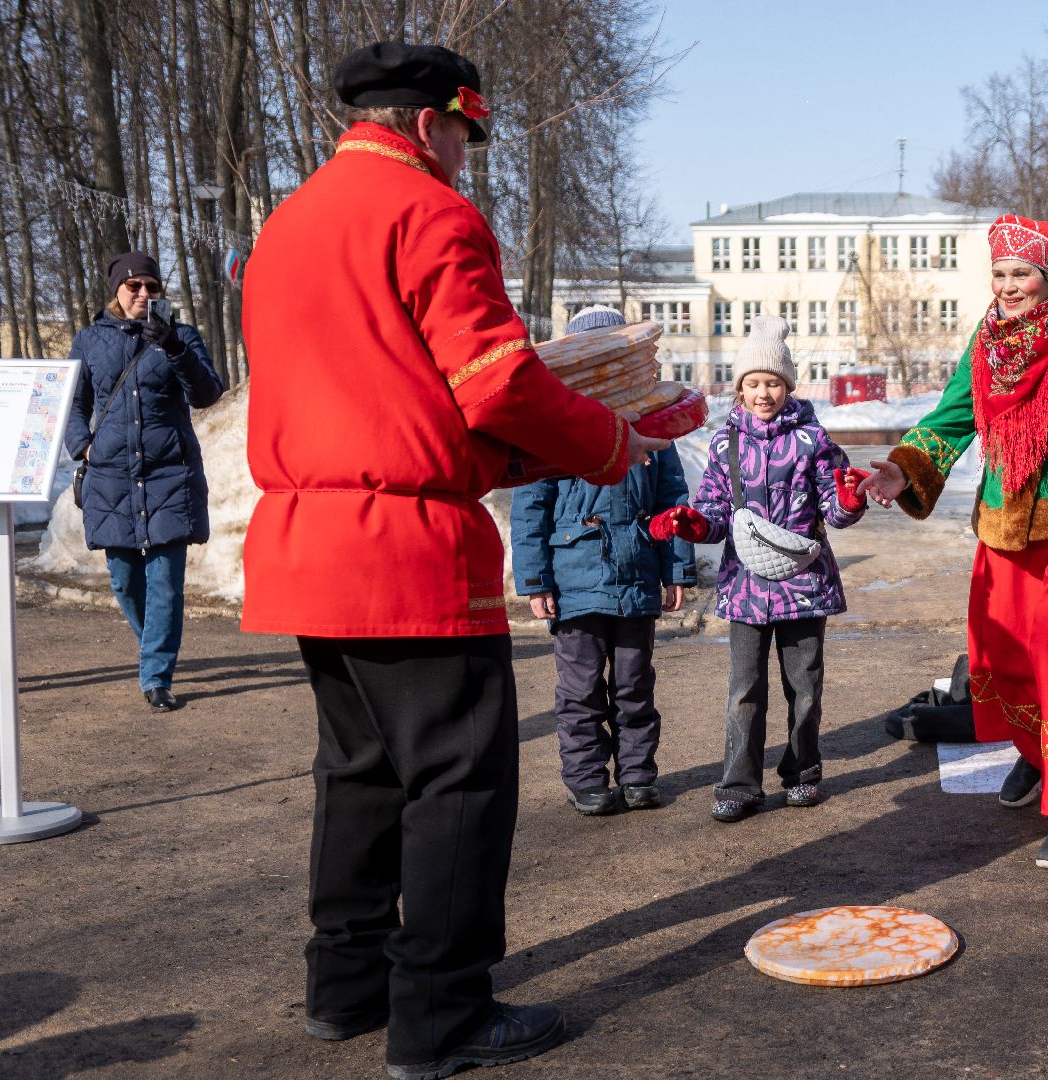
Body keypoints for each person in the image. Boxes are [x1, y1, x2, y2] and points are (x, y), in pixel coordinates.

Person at [240, 42, 665, 1080]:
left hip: (306, 539)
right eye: (467, 137)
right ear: (433, 122)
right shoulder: (428, 211)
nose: (469, 159)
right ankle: (440, 1013)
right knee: (459, 783)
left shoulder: (288, 223)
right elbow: (496, 383)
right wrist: (610, 444)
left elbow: (378, 382)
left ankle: (341, 988)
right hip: (408, 545)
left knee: (359, 772)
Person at [858, 214, 1048, 869]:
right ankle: (1042, 759)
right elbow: (951, 416)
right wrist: (901, 467)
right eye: (998, 274)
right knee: (1004, 662)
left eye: (1020, 273)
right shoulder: (988, 336)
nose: (1007, 286)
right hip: (1001, 531)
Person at [655, 316, 866, 822]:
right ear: (741, 388)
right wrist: (692, 523)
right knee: (744, 689)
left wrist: (847, 497)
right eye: (753, 383)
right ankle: (740, 783)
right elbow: (715, 511)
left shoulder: (814, 442)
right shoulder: (725, 446)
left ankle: (802, 771)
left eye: (772, 382)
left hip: (803, 582)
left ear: (788, 386)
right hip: (746, 585)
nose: (763, 392)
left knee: (805, 684)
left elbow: (834, 514)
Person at [511, 307, 696, 817]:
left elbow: (671, 501)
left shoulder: (651, 430)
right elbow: (530, 510)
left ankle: (638, 776)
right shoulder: (549, 433)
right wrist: (534, 581)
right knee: (580, 691)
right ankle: (588, 780)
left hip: (636, 577)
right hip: (574, 585)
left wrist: (676, 569)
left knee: (635, 686)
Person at [62, 251, 225, 712]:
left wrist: (173, 345)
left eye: (151, 287)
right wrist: (83, 447)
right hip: (112, 477)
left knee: (166, 583)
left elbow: (208, 393)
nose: (143, 294)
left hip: (169, 474)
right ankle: (153, 643)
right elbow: (73, 403)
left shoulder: (182, 336)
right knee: (126, 581)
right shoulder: (90, 340)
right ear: (117, 291)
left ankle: (156, 675)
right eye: (133, 287)